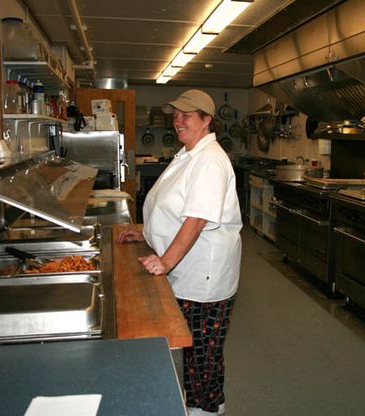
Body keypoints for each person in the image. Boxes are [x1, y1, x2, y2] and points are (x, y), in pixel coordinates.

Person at [117, 89, 242, 416]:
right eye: (176, 114)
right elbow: (169, 206)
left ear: (206, 120)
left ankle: (207, 410)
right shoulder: (188, 154)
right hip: (187, 271)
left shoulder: (210, 160)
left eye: (186, 115)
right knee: (194, 348)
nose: (178, 120)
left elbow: (196, 219)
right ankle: (202, 405)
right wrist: (144, 230)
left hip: (204, 275)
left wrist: (165, 261)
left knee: (203, 353)